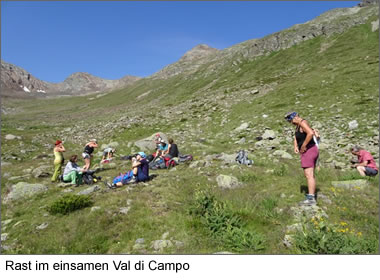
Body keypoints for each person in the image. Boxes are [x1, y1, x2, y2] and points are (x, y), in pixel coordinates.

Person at [285, 111, 319, 206]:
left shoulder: (303, 123)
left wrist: (303, 146)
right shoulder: (298, 126)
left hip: (309, 150)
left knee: (309, 174)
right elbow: (296, 137)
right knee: (308, 174)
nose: (291, 123)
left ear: (294, 118)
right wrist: (296, 146)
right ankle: (311, 195)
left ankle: (311, 198)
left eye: (291, 121)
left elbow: (310, 133)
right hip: (306, 152)